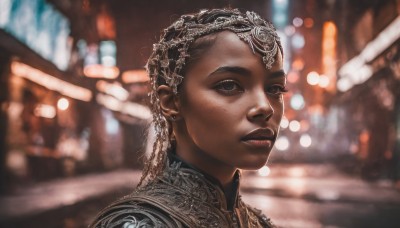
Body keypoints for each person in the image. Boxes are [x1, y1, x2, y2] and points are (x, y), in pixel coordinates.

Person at [90, 8, 286, 228]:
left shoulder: (258, 222)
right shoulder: (141, 224)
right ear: (172, 102)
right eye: (229, 85)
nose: (264, 107)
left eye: (275, 89)